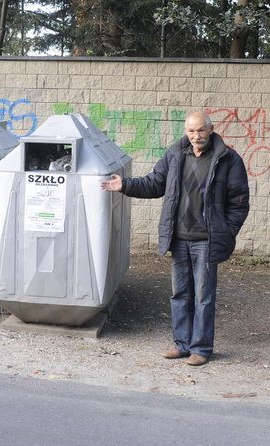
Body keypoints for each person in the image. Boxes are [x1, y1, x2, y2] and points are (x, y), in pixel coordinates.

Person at [101, 111, 249, 366]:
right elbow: (155, 183)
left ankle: (201, 349)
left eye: (201, 130)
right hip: (179, 239)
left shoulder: (227, 159)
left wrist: (226, 230)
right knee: (179, 294)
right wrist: (124, 185)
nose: (196, 136)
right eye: (191, 131)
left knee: (203, 296)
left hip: (207, 239)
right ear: (186, 131)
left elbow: (239, 202)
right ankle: (182, 345)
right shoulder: (175, 154)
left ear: (211, 130)